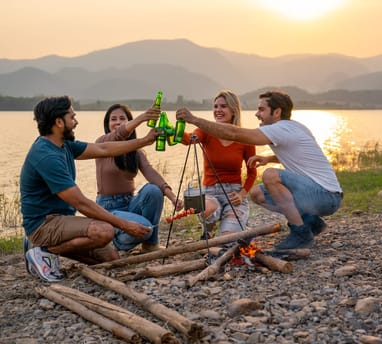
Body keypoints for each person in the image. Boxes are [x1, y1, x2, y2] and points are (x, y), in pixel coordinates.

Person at [176, 90, 342, 252]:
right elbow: (301, 155)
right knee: (257, 193)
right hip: (319, 194)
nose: (256, 114)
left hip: (325, 195)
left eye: (261, 110)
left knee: (270, 175)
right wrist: (269, 159)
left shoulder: (280, 129)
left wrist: (193, 119)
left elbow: (233, 132)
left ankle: (300, 233)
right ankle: (310, 221)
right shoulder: (295, 127)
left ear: (277, 112)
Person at [20, 96, 160, 282]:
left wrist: (144, 141)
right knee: (105, 232)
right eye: (72, 117)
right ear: (59, 122)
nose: (76, 122)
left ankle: (41, 247)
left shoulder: (65, 145)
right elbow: (81, 203)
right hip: (44, 224)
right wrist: (124, 225)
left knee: (112, 259)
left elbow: (103, 149)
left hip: (62, 220)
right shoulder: (46, 155)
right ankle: (43, 251)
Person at [95, 103, 183, 253]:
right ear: (107, 124)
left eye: (122, 118)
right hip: (108, 209)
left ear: (129, 122)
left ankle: (150, 245)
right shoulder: (102, 144)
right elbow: (119, 134)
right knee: (145, 229)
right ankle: (116, 239)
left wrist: (172, 197)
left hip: (130, 204)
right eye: (113, 119)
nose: (117, 122)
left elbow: (151, 173)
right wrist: (143, 117)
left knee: (153, 190)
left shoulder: (135, 152)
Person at [181, 90, 257, 239]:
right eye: (215, 107)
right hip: (210, 192)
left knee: (226, 239)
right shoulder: (206, 131)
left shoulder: (244, 137)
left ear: (233, 110)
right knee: (205, 208)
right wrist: (171, 131)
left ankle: (233, 224)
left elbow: (252, 173)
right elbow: (189, 139)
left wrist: (242, 195)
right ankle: (209, 227)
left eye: (223, 106)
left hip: (233, 193)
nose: (218, 110)